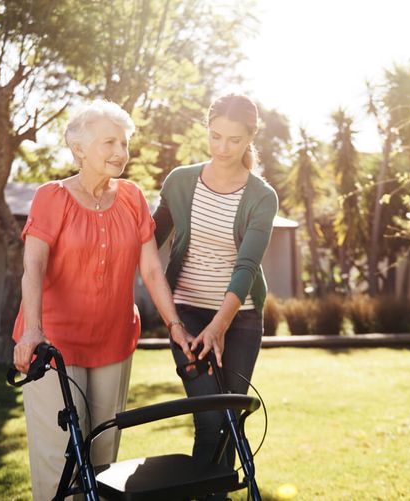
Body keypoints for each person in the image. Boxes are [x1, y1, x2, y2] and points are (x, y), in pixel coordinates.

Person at [11, 100, 195, 500]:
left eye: (125, 143)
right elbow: (35, 267)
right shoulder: (52, 197)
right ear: (79, 149)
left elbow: (150, 270)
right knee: (60, 457)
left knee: (104, 455)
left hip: (113, 339)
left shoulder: (131, 197)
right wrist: (32, 332)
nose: (120, 152)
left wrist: (176, 325)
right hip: (53, 342)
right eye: (109, 142)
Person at [153, 94, 279, 486]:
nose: (223, 148)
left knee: (230, 418)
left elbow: (246, 266)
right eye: (216, 136)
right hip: (186, 314)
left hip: (239, 320)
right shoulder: (180, 181)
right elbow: (145, 241)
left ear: (250, 139)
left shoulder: (261, 196)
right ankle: (204, 493)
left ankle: (213, 494)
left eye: (234, 140)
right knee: (210, 417)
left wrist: (221, 325)